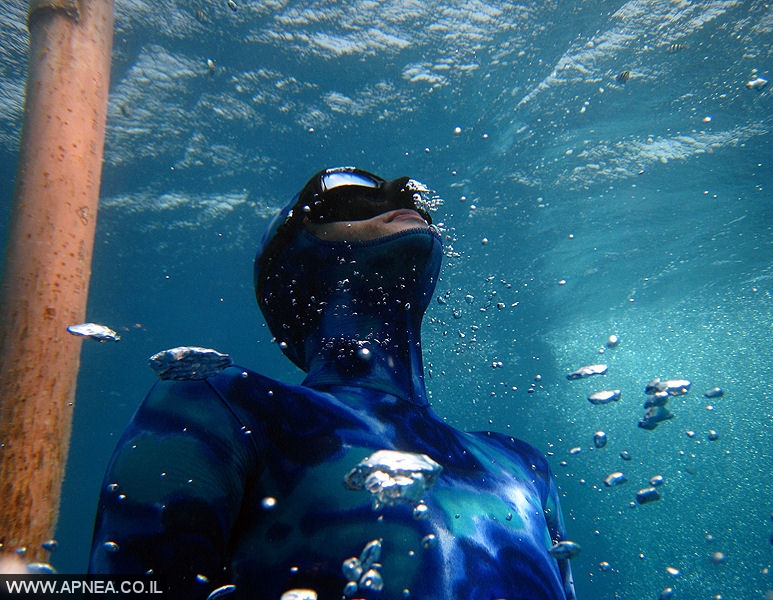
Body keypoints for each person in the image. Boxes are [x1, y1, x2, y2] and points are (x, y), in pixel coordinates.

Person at [89, 167, 577, 600]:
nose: (399, 196)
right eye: (348, 193)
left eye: (405, 197)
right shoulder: (218, 403)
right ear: (290, 268)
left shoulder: (527, 464)